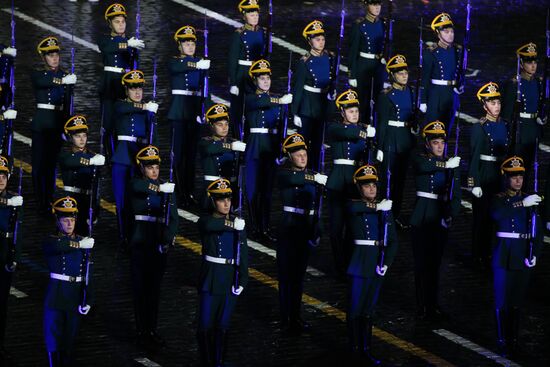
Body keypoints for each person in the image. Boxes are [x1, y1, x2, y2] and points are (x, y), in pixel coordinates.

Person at [490, 156, 542, 357]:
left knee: (516, 301)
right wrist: (522, 203)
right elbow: (498, 214)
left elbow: (536, 230)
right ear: (506, 178)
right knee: (502, 300)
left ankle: (513, 339)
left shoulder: (530, 199)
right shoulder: (500, 199)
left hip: (522, 254)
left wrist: (535, 253)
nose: (518, 180)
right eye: (514, 177)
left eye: (520, 176)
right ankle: (502, 338)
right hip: (504, 254)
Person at [346, 164, 397, 365]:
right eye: (367, 186)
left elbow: (392, 240)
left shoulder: (385, 210)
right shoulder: (356, 205)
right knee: (355, 308)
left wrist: (387, 262)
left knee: (369, 309)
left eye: (374, 186)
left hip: (377, 262)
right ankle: (354, 349)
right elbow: (353, 208)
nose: (372, 189)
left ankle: (366, 348)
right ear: (359, 188)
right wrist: (377, 207)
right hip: (360, 262)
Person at [128, 145, 178, 349]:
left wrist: (166, 240)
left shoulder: (168, 189)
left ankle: (152, 329)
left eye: (156, 166)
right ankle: (141, 330)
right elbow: (138, 188)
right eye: (150, 167)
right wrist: (158, 189)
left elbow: (173, 219)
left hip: (158, 244)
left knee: (154, 290)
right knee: (140, 289)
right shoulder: (138, 184)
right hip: (141, 243)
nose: (154, 171)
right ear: (142, 168)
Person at [277, 133, 327, 334]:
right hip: (290, 229)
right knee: (286, 276)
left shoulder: (314, 176)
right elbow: (291, 179)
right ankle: (285, 316)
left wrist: (317, 230)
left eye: (304, 153)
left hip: (306, 228)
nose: (302, 157)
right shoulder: (285, 174)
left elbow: (319, 208)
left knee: (298, 277)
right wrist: (314, 178)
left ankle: (295, 315)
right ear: (290, 157)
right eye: (297, 155)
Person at [410, 121, 461, 319]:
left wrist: (450, 214)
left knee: (435, 264)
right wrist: (445, 164)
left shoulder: (451, 165)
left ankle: (433, 303)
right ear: (428, 144)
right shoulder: (421, 158)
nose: (439, 146)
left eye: (442, 143)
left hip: (439, 217)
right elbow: (422, 166)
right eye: (435, 143)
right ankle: (421, 304)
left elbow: (455, 195)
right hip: (422, 218)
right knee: (421, 264)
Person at [196, 178, 248, 367]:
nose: (226, 203)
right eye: (221, 199)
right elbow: (210, 226)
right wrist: (233, 225)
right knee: (205, 325)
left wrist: (243, 279)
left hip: (229, 279)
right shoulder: (206, 221)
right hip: (211, 278)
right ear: (212, 201)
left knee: (223, 325)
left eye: (228, 199)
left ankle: (219, 362)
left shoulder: (237, 223)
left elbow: (243, 253)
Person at [326, 89, 375, 275]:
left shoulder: (363, 128)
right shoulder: (336, 127)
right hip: (338, 182)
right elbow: (346, 132)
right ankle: (339, 264)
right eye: (351, 111)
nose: (354, 114)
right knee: (336, 228)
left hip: (356, 182)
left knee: (353, 227)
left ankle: (349, 263)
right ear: (343, 112)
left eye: (356, 111)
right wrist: (365, 134)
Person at [43, 196, 94, 366]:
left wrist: (89, 299)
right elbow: (58, 246)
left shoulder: (82, 241)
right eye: (65, 220)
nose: (70, 224)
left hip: (74, 297)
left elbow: (88, 273)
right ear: (58, 221)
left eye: (72, 219)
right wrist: (80, 245)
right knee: (54, 342)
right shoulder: (52, 240)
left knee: (69, 343)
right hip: (57, 297)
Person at [244, 59, 292, 240]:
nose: (265, 81)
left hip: (270, 148)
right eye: (261, 78)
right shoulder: (251, 98)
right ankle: (255, 225)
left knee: (267, 191)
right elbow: (259, 103)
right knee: (253, 190)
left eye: (267, 78)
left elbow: (282, 128)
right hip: (255, 147)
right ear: (254, 80)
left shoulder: (277, 100)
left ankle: (265, 226)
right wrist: (280, 101)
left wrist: (282, 151)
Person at [111, 70, 158, 245]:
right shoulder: (121, 105)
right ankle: (124, 235)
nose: (137, 92)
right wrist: (145, 107)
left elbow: (154, 138)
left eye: (139, 88)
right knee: (122, 200)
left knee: (138, 200)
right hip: (123, 159)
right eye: (133, 89)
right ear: (126, 91)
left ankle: (137, 236)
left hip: (141, 160)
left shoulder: (148, 110)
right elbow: (122, 108)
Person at [167, 25, 210, 208]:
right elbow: (176, 67)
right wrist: (196, 64)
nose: (190, 46)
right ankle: (178, 192)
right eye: (186, 43)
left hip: (194, 112)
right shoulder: (176, 61)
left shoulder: (202, 63)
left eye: (192, 43)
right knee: (178, 155)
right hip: (179, 112)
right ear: (179, 46)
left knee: (191, 156)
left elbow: (206, 91)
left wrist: (206, 111)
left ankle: (189, 192)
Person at [31, 36, 75, 213]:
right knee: (39, 166)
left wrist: (67, 127)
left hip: (57, 126)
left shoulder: (65, 76)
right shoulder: (39, 74)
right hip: (41, 126)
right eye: (50, 55)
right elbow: (42, 82)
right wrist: (62, 81)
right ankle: (39, 200)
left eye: (56, 54)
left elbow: (68, 105)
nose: (54, 58)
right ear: (44, 57)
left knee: (50, 166)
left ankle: (48, 200)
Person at [468, 82, 510, 268]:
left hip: (500, 175)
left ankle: (492, 253)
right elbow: (474, 157)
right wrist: (474, 182)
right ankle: (478, 254)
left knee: (497, 217)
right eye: (492, 103)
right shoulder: (480, 127)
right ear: (484, 105)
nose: (497, 106)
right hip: (485, 174)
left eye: (498, 102)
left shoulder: (505, 125)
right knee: (482, 217)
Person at [98, 3, 145, 159]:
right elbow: (108, 48)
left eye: (123, 21)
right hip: (111, 86)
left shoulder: (131, 43)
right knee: (109, 125)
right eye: (116, 21)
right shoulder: (105, 40)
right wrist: (127, 44)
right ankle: (110, 158)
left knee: (124, 124)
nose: (120, 24)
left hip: (126, 86)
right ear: (109, 23)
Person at [376, 54, 417, 228]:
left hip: (405, 140)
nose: (404, 76)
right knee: (387, 180)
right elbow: (382, 123)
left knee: (400, 181)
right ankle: (384, 214)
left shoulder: (411, 91)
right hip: (391, 140)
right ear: (392, 75)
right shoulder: (386, 96)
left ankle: (396, 214)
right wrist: (379, 146)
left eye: (405, 72)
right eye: (400, 73)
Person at [291, 20, 336, 170]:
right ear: (310, 41)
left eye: (322, 39)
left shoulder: (330, 58)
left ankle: (315, 172)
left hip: (321, 106)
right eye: (317, 39)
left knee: (317, 144)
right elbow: (297, 89)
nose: (321, 42)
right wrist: (295, 112)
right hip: (307, 107)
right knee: (303, 143)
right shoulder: (305, 62)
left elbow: (332, 79)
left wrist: (332, 92)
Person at [501, 43, 546, 180]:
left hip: (533, 128)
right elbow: (507, 113)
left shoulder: (539, 83)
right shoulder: (514, 83)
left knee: (529, 164)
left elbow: (541, 104)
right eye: (529, 62)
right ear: (521, 63)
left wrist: (543, 117)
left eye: (534, 62)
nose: (533, 65)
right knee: (516, 165)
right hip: (519, 129)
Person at [58, 115, 105, 236]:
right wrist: (91, 161)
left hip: (87, 202)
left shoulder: (94, 156)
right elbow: (71, 160)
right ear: (70, 137)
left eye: (84, 135)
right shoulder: (65, 154)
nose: (82, 139)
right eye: (77, 136)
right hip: (70, 201)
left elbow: (97, 187)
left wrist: (95, 210)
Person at [228, 0, 268, 138]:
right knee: (238, 110)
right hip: (242, 74)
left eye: (256, 14)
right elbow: (232, 60)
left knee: (255, 107)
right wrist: (233, 82)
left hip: (256, 74)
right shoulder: (239, 34)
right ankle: (237, 137)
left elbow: (266, 55)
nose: (255, 17)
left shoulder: (263, 32)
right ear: (244, 16)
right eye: (251, 14)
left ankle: (251, 137)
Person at [420, 13, 463, 132]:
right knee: (433, 130)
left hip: (451, 94)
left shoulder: (457, 51)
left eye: (451, 31)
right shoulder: (431, 52)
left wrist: (460, 85)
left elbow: (460, 72)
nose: (450, 35)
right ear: (438, 33)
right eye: (446, 32)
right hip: (436, 95)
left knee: (447, 130)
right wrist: (423, 100)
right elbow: (425, 78)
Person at [198, 104, 246, 209]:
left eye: (226, 124)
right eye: (220, 125)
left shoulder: (234, 142)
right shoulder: (205, 142)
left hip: (231, 189)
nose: (224, 128)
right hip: (213, 189)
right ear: (211, 125)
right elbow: (210, 149)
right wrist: (231, 146)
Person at [348, 0, 387, 120]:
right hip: (363, 66)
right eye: (374, 4)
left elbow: (387, 47)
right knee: (362, 100)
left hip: (378, 66)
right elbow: (353, 51)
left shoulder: (384, 24)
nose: (377, 8)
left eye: (379, 4)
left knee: (378, 100)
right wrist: (352, 74)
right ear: (367, 6)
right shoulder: (359, 25)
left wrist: (385, 73)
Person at [0, 155, 22, 363]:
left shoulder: (14, 201)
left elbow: (17, 232)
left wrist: (16, 257)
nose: (1, 180)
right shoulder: (9, 201)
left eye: (3, 176)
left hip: (4, 255)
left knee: (2, 305)